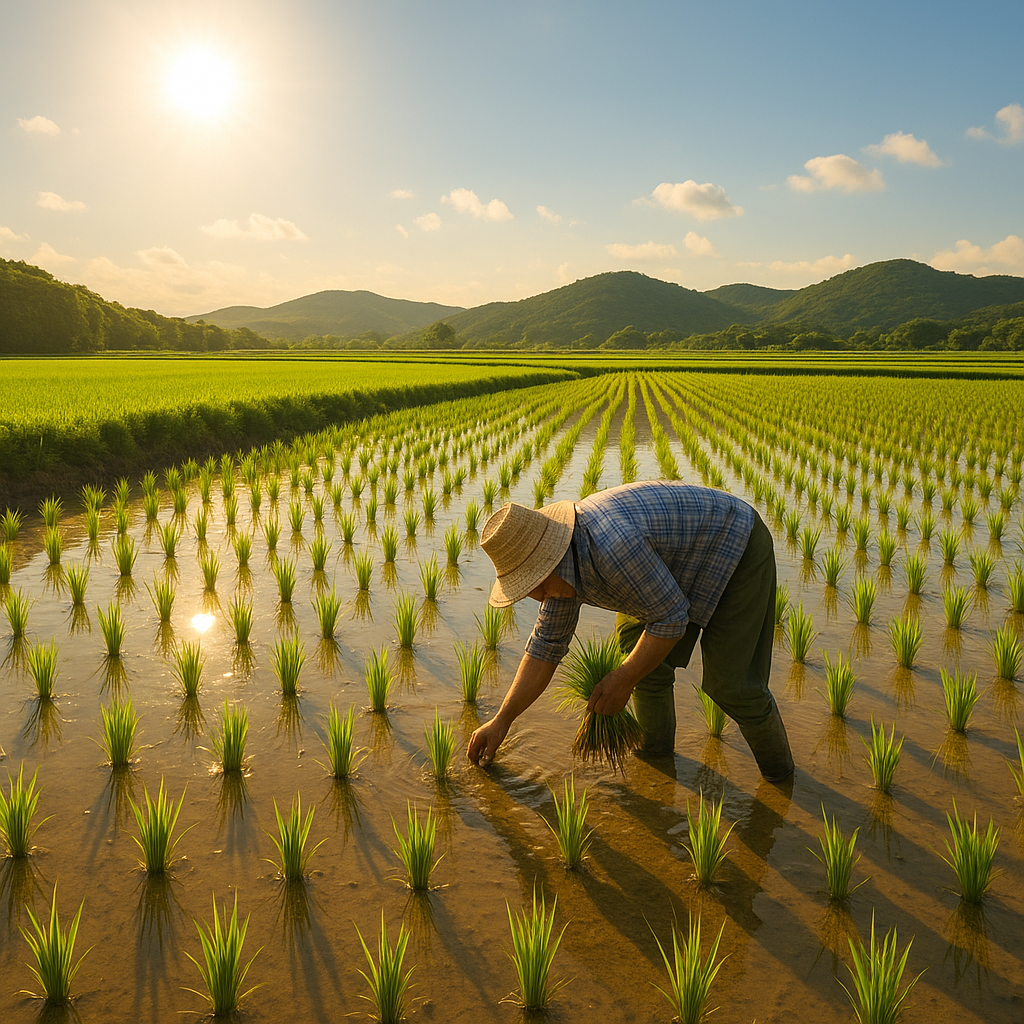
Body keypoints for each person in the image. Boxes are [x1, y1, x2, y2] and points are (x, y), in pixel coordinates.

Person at [466, 480, 794, 780]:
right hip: (672, 562)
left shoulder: (612, 547)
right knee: (641, 658)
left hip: (734, 544)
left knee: (732, 686)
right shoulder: (559, 576)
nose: (537, 597)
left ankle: (781, 779)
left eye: (533, 585)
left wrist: (622, 679)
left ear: (548, 562)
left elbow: (671, 619)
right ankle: (657, 761)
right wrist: (502, 720)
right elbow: (544, 648)